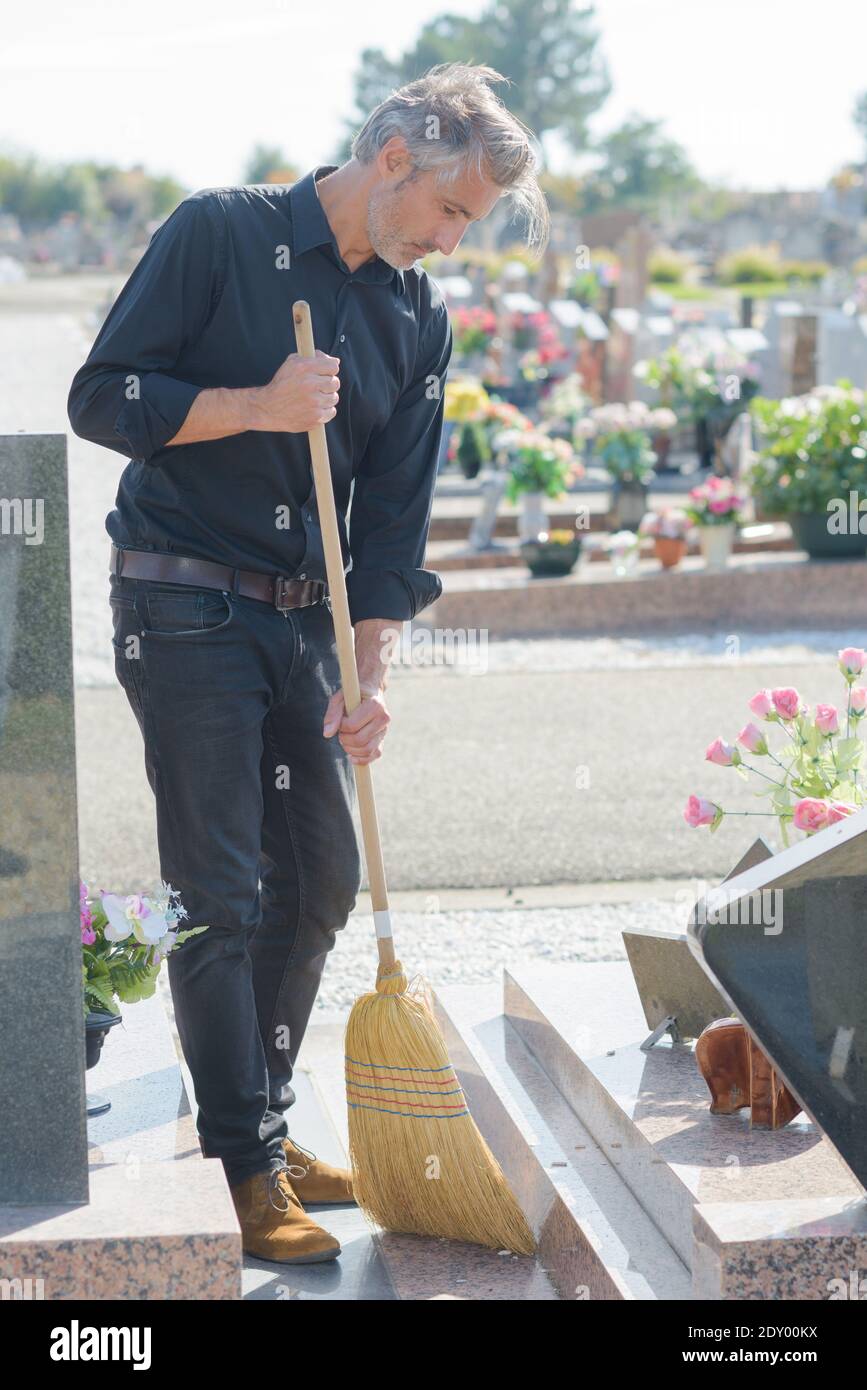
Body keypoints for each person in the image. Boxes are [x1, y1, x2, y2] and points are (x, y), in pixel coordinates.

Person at [68, 61, 548, 1265]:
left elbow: (392, 521)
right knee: (223, 895)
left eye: (468, 228)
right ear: (396, 158)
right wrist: (256, 405)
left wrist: (368, 669)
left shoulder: (416, 316)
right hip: (182, 604)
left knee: (322, 880)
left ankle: (265, 1123)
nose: (450, 242)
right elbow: (101, 397)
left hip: (304, 627)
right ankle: (244, 1160)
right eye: (450, 212)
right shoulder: (219, 232)